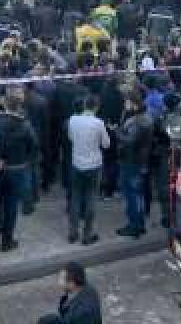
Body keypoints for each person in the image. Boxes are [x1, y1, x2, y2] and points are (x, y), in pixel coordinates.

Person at [0, 88, 38, 252]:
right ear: (19, 106)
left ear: (4, 104)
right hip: (17, 169)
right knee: (11, 205)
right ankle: (7, 240)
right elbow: (34, 146)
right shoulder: (25, 125)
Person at [66, 94, 108, 245]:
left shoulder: (72, 119)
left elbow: (71, 138)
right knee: (91, 198)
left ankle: (72, 232)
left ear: (84, 105)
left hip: (77, 162)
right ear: (96, 107)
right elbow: (106, 144)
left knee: (75, 197)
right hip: (94, 165)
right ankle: (87, 235)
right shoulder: (99, 123)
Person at [115, 89, 152, 238]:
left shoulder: (137, 121)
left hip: (132, 162)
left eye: (127, 102)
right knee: (138, 195)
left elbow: (129, 141)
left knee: (132, 195)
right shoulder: (145, 117)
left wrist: (117, 132)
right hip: (139, 161)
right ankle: (139, 224)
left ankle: (134, 226)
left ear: (133, 103)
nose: (125, 104)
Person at [36, 261, 103, 324]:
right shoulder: (87, 288)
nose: (59, 282)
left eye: (61, 278)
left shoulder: (80, 313)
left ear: (72, 283)